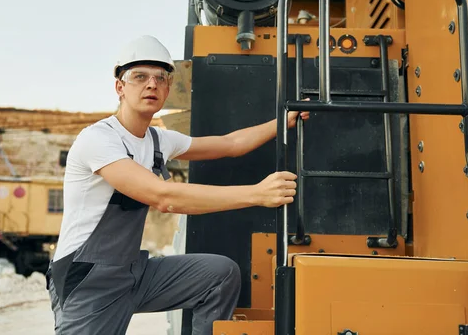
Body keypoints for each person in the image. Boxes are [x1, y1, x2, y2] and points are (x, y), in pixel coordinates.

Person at [46, 35, 309, 335]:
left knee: (219, 275)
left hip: (133, 272)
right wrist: (257, 194)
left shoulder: (159, 141)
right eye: (140, 76)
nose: (152, 85)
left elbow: (230, 144)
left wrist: (283, 121)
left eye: (161, 78)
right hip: (89, 281)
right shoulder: (99, 139)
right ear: (120, 86)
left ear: (169, 88)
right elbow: (163, 197)